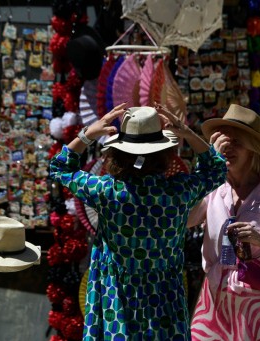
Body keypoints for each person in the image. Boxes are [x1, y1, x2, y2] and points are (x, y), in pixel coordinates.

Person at [49, 103, 227, 340]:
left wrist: (89, 133)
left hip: (116, 303)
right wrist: (187, 132)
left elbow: (60, 166)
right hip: (165, 303)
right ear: (164, 153)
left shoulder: (106, 191)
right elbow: (216, 169)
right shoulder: (179, 191)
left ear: (117, 153)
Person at [188, 104, 260, 341]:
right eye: (223, 142)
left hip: (259, 308)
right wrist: (206, 170)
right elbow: (184, 220)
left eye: (237, 142)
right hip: (214, 304)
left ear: (253, 150)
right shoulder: (211, 190)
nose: (228, 148)